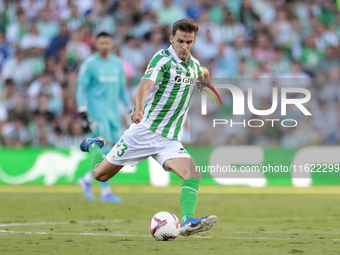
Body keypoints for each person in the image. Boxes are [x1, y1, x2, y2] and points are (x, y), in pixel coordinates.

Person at [79, 18, 217, 236]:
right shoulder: (162, 59)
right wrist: (139, 108)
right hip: (144, 132)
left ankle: (188, 221)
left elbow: (201, 74)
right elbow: (145, 84)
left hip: (169, 139)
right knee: (100, 175)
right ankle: (93, 145)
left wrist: (205, 79)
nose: (184, 46)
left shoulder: (194, 65)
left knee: (193, 174)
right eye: (180, 41)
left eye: (189, 42)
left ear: (194, 41)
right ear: (172, 39)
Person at [76, 32, 132, 203]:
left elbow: (122, 89)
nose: (105, 46)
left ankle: (87, 179)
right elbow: (81, 88)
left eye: (107, 42)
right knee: (105, 149)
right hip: (97, 113)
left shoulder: (117, 63)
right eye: (101, 43)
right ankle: (105, 191)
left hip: (113, 114)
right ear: (96, 44)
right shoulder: (90, 64)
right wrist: (83, 112)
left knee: (115, 150)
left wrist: (130, 108)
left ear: (111, 43)